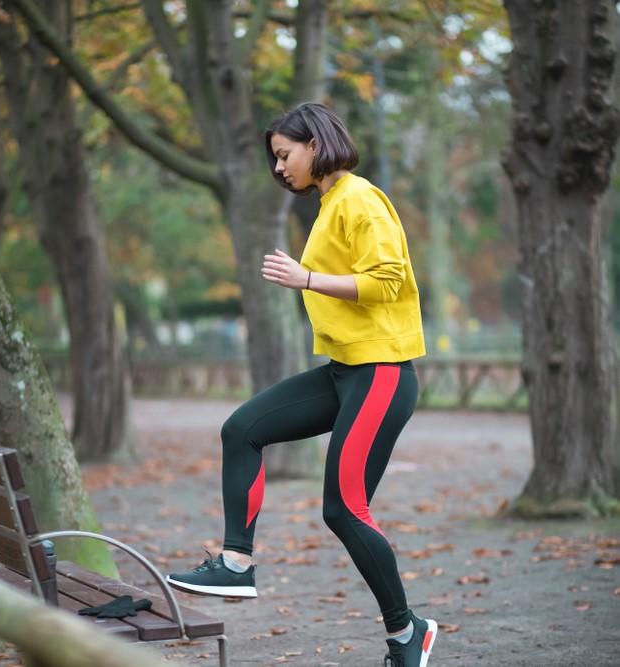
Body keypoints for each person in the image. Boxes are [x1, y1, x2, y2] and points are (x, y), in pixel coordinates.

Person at [166, 103, 437, 667]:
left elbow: (389, 281)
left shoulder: (359, 198)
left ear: (315, 144)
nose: (279, 168)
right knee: (241, 428)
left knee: (344, 510)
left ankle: (408, 632)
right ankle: (236, 565)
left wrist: (306, 277)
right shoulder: (331, 201)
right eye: (275, 159)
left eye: (285, 155)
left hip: (381, 372)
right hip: (346, 371)